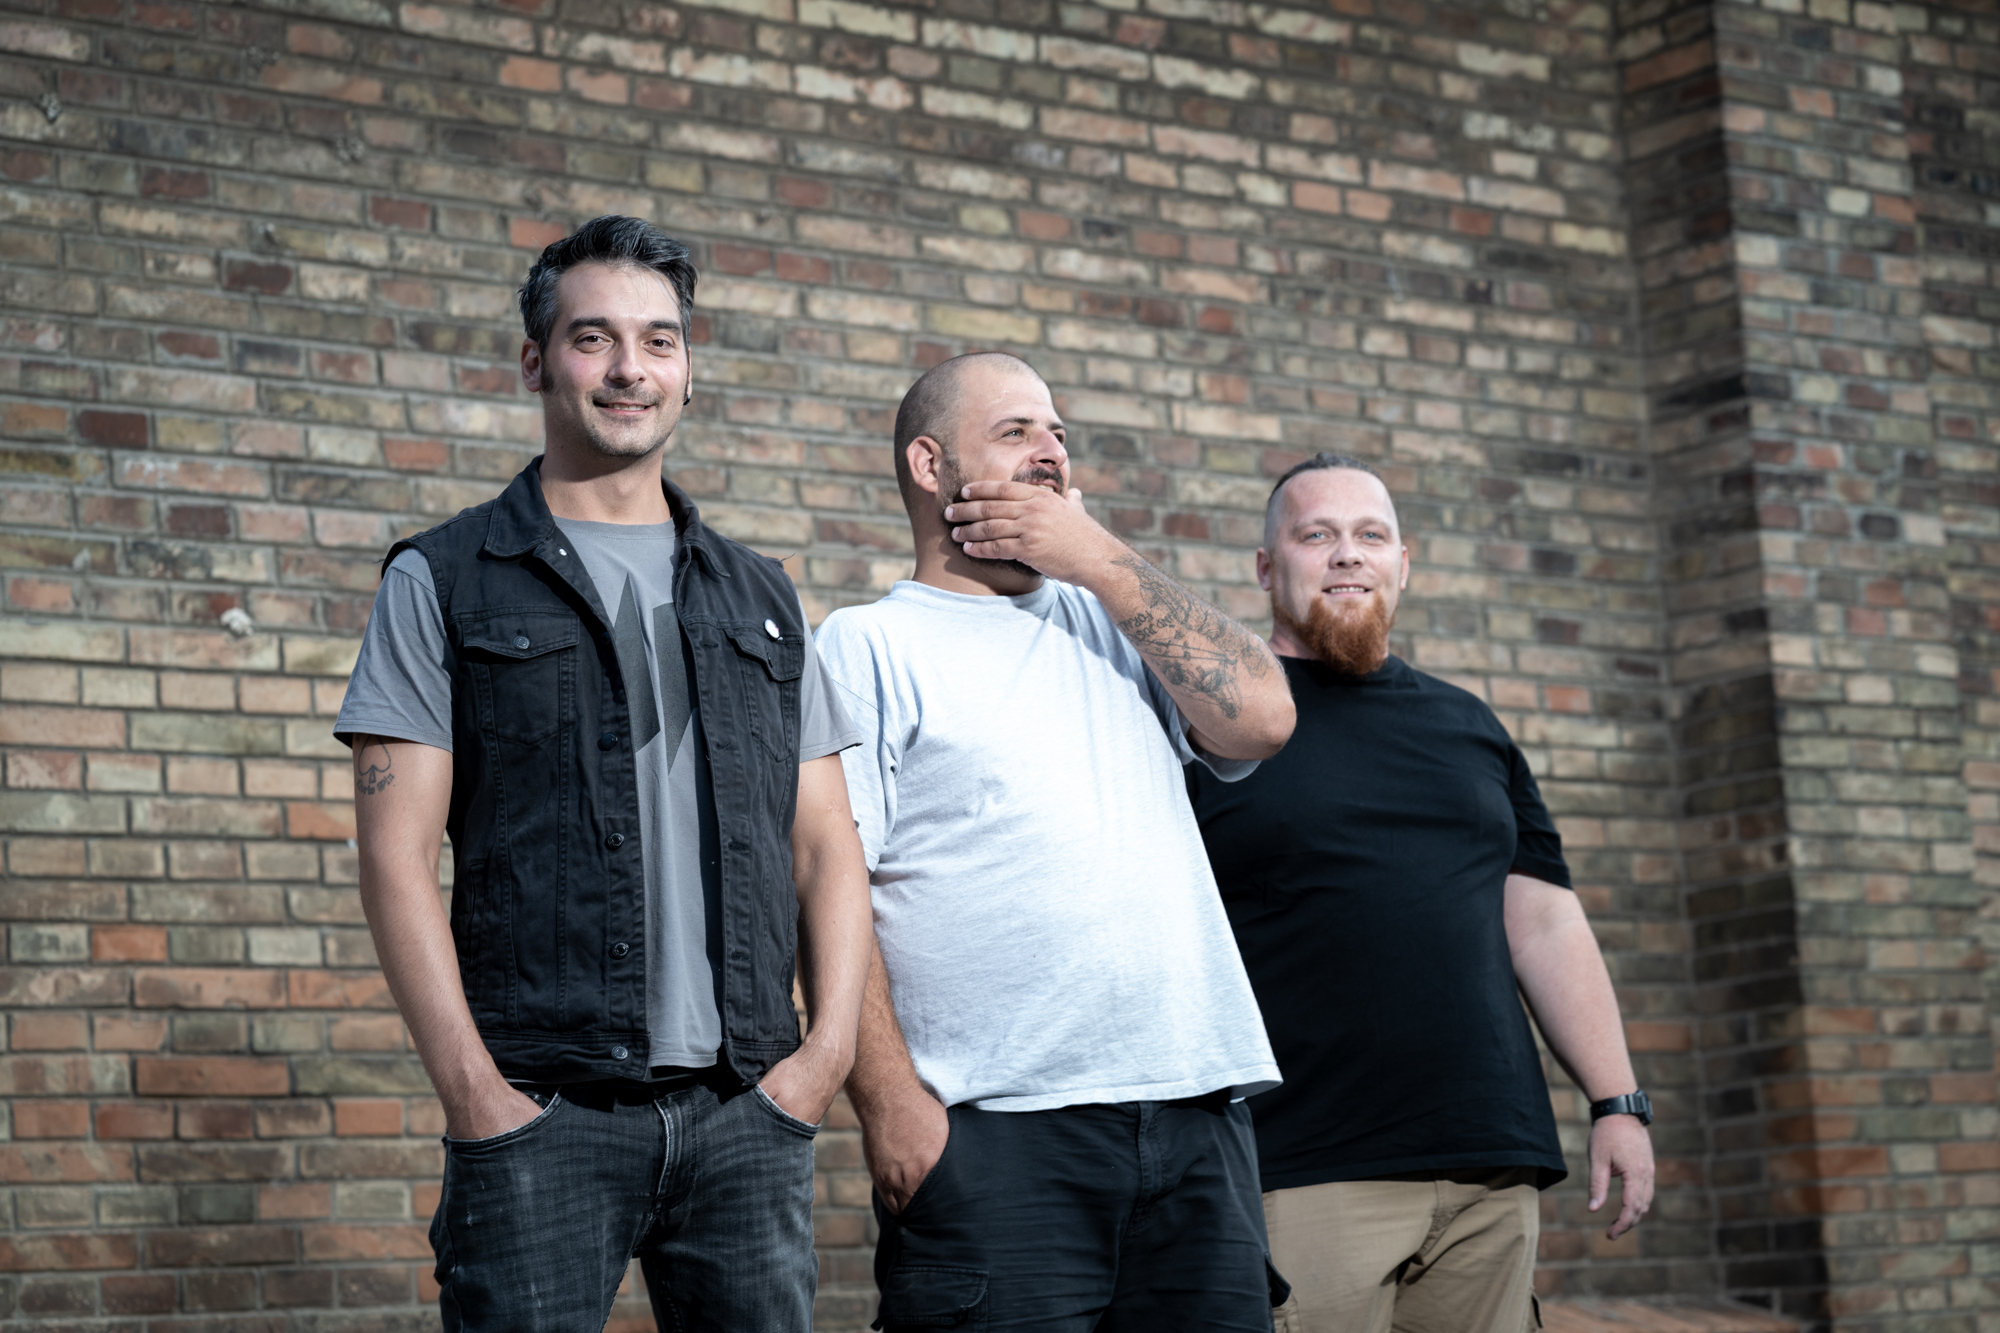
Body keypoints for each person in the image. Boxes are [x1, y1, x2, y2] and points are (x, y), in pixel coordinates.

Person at [335, 216, 873, 1333]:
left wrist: (823, 1059)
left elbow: (825, 845)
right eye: (594, 338)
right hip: (541, 1115)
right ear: (535, 362)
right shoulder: (443, 579)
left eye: (659, 340)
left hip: (746, 1111)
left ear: (688, 368)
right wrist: (475, 1095)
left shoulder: (762, 596)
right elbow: (395, 860)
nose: (630, 367)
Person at [813, 351, 1298, 1332]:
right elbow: (825, 886)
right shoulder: (866, 645)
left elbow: (1263, 718)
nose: (1050, 452)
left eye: (1058, 435)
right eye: (1015, 432)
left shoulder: (1115, 618)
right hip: (996, 1137)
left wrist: (1099, 558)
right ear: (928, 463)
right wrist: (892, 1107)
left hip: (1196, 1120)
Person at [1187, 453, 1657, 1333]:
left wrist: (1617, 1101)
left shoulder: (1469, 726)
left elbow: (1544, 920)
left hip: (1490, 1162)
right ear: (1266, 567)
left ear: (1402, 565)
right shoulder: (1215, 725)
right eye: (1317, 534)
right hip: (1305, 1163)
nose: (1347, 554)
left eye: (1371, 535)